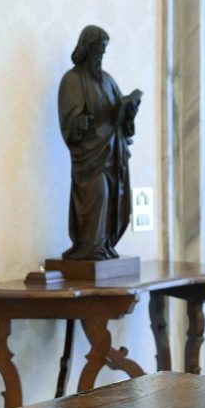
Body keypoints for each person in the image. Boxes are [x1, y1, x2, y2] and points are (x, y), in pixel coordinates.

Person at [57, 25, 143, 260]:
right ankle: (90, 248)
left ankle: (104, 246)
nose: (101, 56)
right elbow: (68, 120)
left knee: (115, 200)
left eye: (104, 51)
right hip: (91, 157)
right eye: (98, 51)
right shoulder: (72, 80)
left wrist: (129, 112)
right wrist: (78, 123)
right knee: (99, 194)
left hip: (113, 153)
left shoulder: (108, 81)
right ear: (86, 49)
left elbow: (119, 115)